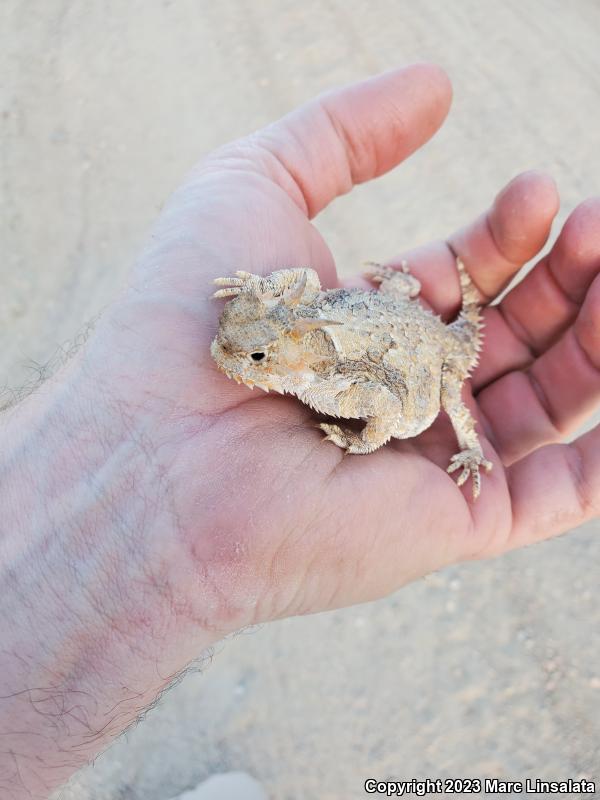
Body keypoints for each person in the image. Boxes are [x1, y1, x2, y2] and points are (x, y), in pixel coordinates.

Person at [1, 63, 599, 799]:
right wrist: (256, 292)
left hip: (422, 356)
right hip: (390, 318)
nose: (227, 358)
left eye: (247, 356)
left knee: (450, 390)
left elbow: (384, 411)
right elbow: (301, 289)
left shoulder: (329, 379)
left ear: (279, 361)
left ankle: (471, 438)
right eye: (239, 342)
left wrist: (369, 439)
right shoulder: (289, 330)